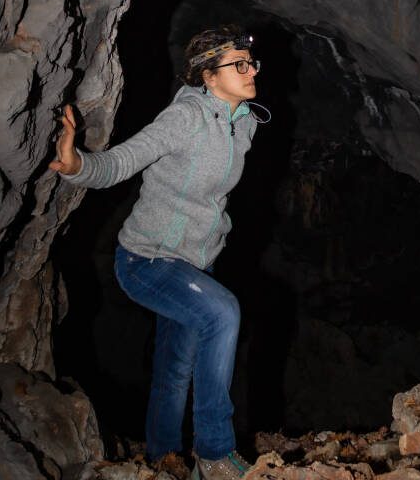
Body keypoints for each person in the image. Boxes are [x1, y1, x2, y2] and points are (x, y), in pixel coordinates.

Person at [50, 26, 271, 480]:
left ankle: (163, 461)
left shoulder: (244, 121)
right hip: (147, 259)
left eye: (252, 64)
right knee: (222, 313)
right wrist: (77, 167)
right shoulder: (185, 117)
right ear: (209, 76)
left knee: (176, 368)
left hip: (196, 261)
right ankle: (214, 453)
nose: (251, 72)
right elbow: (121, 162)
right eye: (240, 65)